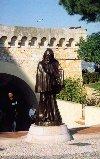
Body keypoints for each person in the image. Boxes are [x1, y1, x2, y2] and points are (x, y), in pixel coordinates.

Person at [35, 48, 64, 126]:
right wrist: (53, 76)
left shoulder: (53, 64)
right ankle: (43, 117)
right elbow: (44, 73)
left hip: (51, 87)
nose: (48, 57)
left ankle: (53, 117)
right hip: (44, 87)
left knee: (52, 101)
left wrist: (59, 78)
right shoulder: (41, 64)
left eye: (50, 55)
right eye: (47, 55)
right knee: (43, 100)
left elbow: (56, 72)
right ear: (44, 56)